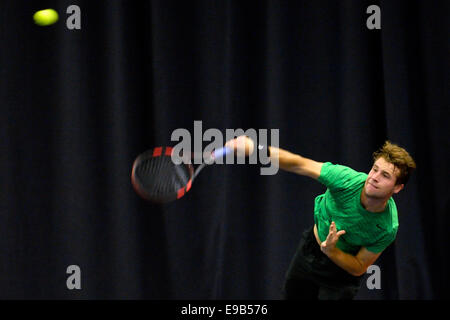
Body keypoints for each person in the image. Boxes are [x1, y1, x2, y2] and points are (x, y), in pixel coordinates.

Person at [225, 136, 416, 300]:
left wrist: (332, 251)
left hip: (342, 275)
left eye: (385, 175)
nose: (374, 177)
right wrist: (255, 148)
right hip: (310, 252)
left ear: (397, 187)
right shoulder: (344, 180)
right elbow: (299, 163)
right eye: (374, 169)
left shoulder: (388, 227)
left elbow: (358, 266)